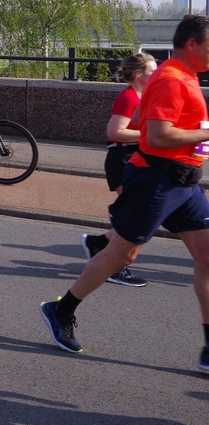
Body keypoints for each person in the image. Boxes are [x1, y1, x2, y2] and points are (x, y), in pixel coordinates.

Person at [39, 14, 209, 372]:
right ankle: (61, 310)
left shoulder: (187, 75)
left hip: (186, 182)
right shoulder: (171, 79)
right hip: (155, 180)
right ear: (192, 44)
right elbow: (157, 136)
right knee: (122, 256)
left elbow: (164, 122)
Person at [79, 52, 158, 288]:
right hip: (122, 160)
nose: (157, 76)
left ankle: (98, 243)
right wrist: (149, 134)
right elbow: (114, 132)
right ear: (139, 75)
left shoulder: (145, 95)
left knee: (138, 215)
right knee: (134, 216)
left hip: (135, 159)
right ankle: (113, 266)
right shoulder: (128, 97)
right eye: (153, 72)